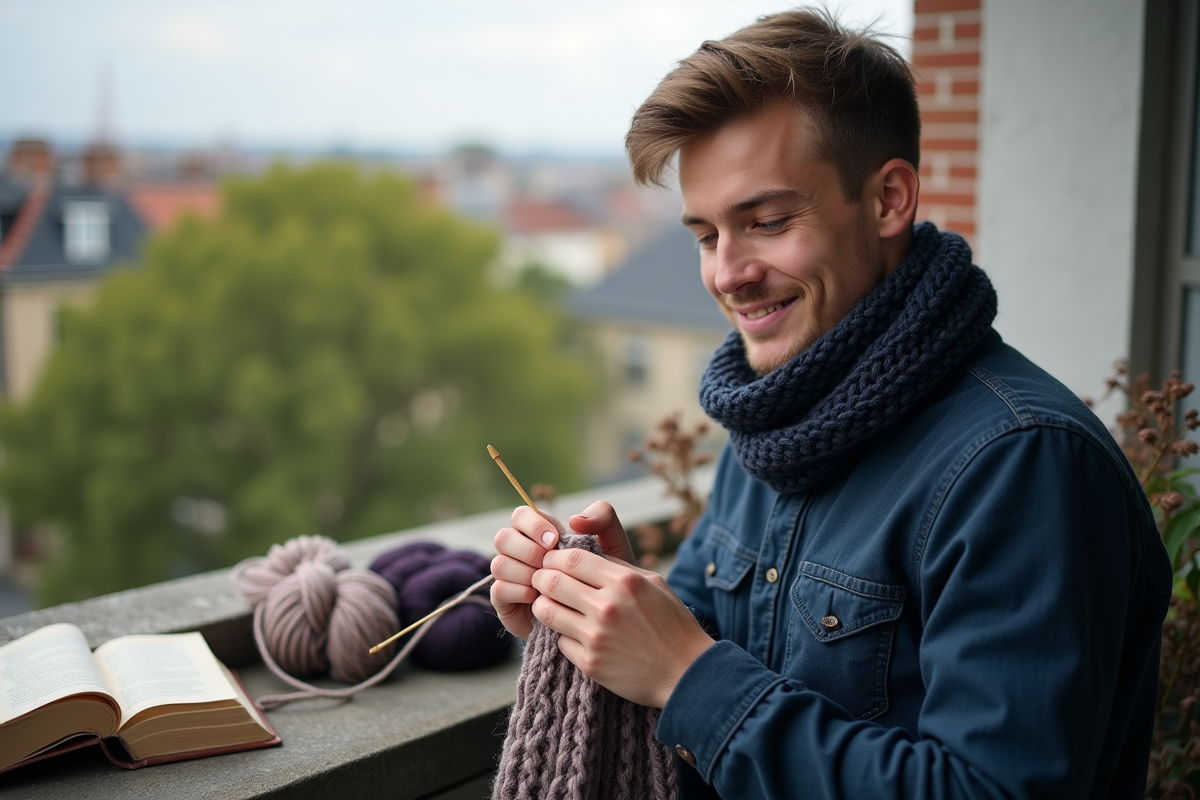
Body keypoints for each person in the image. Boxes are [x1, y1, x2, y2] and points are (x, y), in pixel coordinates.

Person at [489, 9, 1172, 798]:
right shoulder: (777, 416)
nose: (728, 273)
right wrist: (596, 613)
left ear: (888, 200)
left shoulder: (1024, 463)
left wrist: (687, 676)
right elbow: (699, 653)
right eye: (708, 235)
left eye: (768, 222)